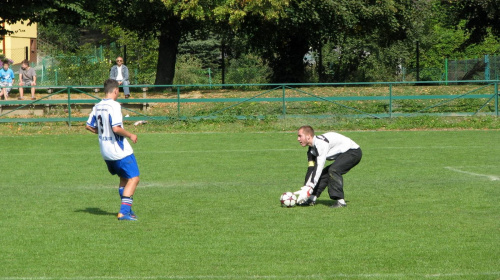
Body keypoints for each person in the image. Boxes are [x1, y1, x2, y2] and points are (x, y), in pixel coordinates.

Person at [86, 79, 140, 221]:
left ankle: (128, 210)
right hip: (119, 150)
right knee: (134, 178)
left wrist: (103, 134)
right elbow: (116, 128)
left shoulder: (97, 106)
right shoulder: (114, 106)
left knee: (124, 178)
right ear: (116, 90)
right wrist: (131, 134)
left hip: (106, 151)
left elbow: (88, 126)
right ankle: (124, 212)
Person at [294, 125, 362, 208]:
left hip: (353, 152)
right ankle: (311, 199)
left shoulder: (321, 144)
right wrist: (306, 188)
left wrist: (310, 187)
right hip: (344, 154)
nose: (298, 139)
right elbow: (311, 170)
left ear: (308, 136)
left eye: (300, 136)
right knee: (324, 174)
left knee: (333, 170)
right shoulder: (311, 151)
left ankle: (341, 202)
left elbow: (319, 166)